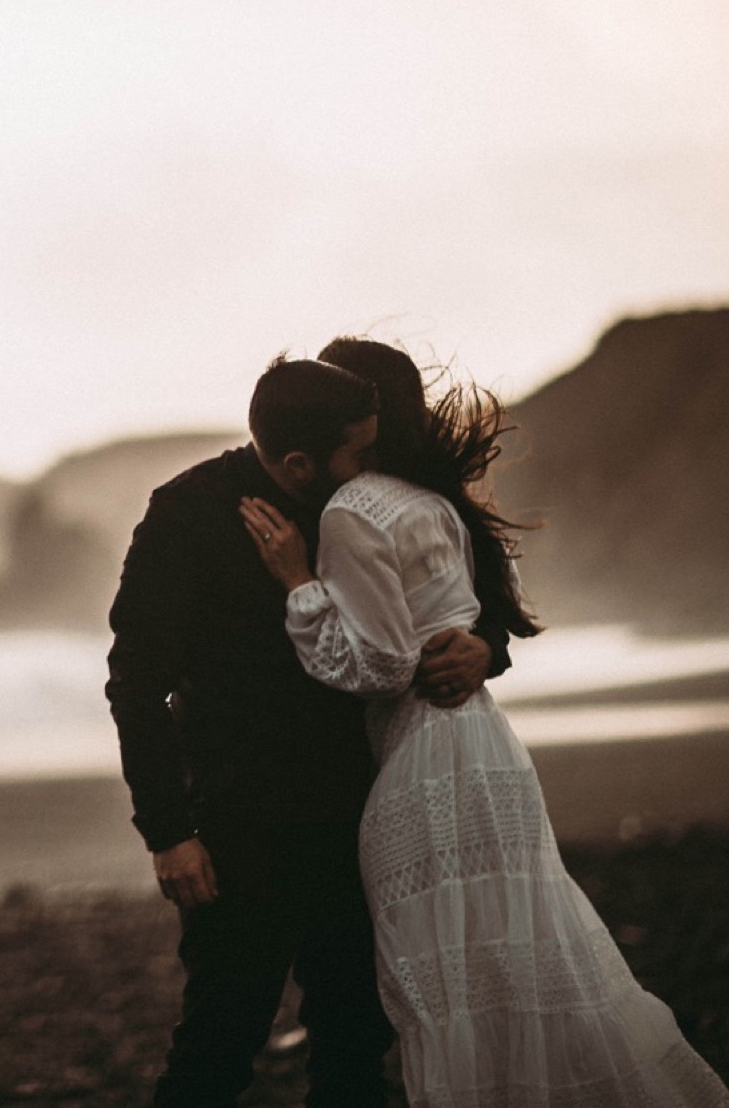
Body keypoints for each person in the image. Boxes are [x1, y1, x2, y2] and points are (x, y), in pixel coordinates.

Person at [238, 338, 729, 1108]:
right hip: (489, 749)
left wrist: (300, 585)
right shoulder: (430, 502)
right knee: (530, 963)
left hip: (422, 758)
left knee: (451, 988)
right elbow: (448, 613)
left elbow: (381, 665)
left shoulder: (351, 509)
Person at [105, 357, 509, 1107]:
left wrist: (488, 645)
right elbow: (134, 681)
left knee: (356, 1042)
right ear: (299, 461)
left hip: (365, 811)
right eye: (360, 450)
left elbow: (452, 593)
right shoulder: (187, 513)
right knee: (220, 1041)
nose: (374, 462)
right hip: (239, 824)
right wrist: (167, 829)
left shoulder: (359, 502)